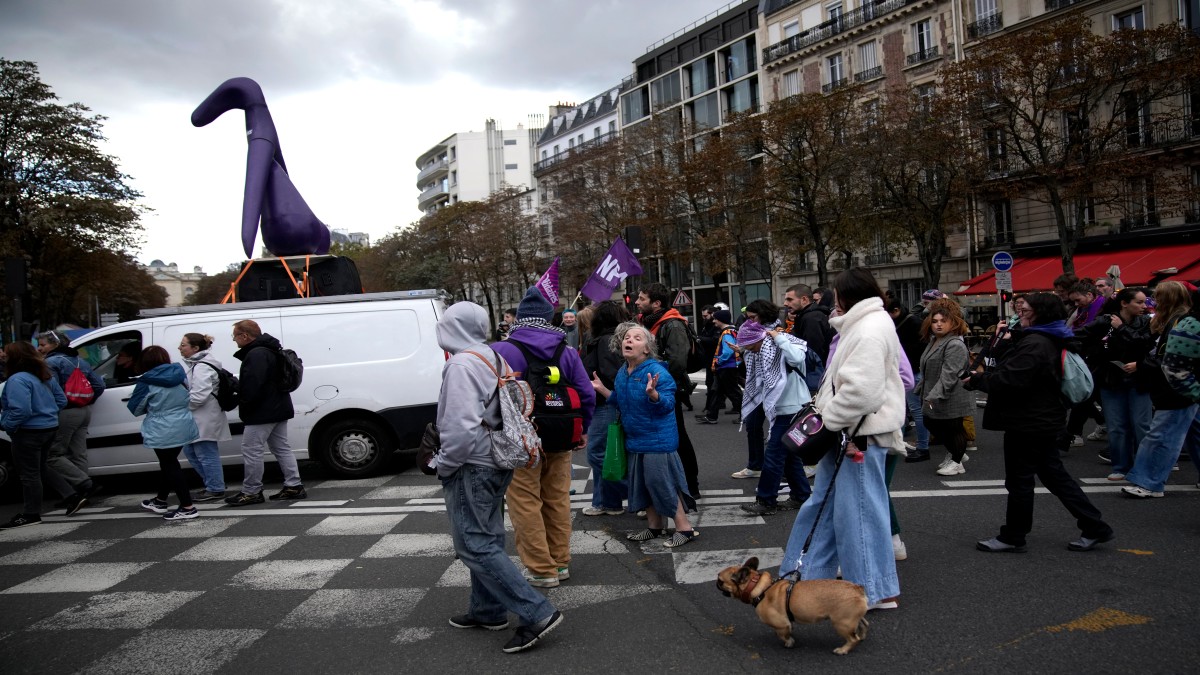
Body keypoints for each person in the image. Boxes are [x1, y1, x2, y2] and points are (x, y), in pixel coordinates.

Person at [432, 301, 563, 654]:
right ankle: (487, 610)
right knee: (487, 537)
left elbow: (459, 428)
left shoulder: (461, 364)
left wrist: (443, 464)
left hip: (471, 462)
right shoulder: (492, 356)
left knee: (474, 544)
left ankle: (537, 612)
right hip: (497, 459)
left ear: (452, 327)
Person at [779, 268, 905, 611]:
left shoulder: (867, 329)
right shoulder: (869, 325)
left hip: (856, 435)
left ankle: (871, 590)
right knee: (833, 507)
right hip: (854, 433)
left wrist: (828, 423)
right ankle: (805, 578)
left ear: (845, 295)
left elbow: (861, 393)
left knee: (858, 513)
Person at [966, 292, 1114, 552]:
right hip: (1042, 418)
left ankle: (1013, 536)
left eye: (1026, 310)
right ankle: (1095, 526)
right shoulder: (1050, 337)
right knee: (1054, 476)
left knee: (1020, 480)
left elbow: (1011, 380)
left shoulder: (1036, 343)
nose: (1020, 312)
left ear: (1041, 313)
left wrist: (977, 380)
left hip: (1029, 421)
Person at [493, 286, 595, 588]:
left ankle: (541, 569)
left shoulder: (504, 350)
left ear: (519, 320)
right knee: (557, 498)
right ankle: (561, 562)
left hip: (521, 440)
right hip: (562, 435)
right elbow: (586, 393)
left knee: (525, 501)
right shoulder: (566, 350)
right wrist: (582, 430)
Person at [590, 322, 699, 547]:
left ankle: (684, 528)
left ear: (647, 348)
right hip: (634, 438)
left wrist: (654, 395)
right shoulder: (624, 371)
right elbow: (621, 401)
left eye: (637, 338)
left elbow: (668, 404)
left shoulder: (658, 372)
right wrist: (603, 390)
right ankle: (654, 527)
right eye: (627, 338)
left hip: (658, 440)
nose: (629, 340)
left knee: (662, 483)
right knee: (642, 485)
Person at [1122, 282, 1197, 498]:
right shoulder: (1177, 319)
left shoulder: (1179, 321)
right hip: (1181, 387)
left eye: (1157, 296)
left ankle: (1149, 482)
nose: (1152, 300)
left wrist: (1142, 365)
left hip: (1177, 387)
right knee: (1187, 435)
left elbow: (1170, 358)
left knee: (1162, 436)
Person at [224, 319, 307, 506]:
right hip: (278, 406)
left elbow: (254, 386)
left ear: (244, 336)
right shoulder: (270, 350)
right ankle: (294, 485)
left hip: (262, 411)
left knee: (252, 450)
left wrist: (242, 398)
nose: (234, 340)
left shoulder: (256, 354)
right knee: (281, 448)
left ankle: (251, 491)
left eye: (235, 336)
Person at [736, 319, 813, 515]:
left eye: (751, 346)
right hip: (783, 408)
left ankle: (766, 500)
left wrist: (780, 338)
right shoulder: (763, 349)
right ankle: (801, 495)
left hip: (793, 407)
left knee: (773, 455)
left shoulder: (781, 344)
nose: (751, 351)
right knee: (788, 456)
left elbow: (797, 358)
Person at [1077, 288, 1153, 478]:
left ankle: (1145, 467)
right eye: (1139, 302)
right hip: (1110, 378)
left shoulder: (1145, 322)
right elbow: (1079, 336)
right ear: (1124, 303)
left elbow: (1144, 344)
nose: (1144, 306)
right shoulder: (1104, 321)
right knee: (1116, 425)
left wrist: (1121, 328)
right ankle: (1120, 466)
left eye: (1144, 302)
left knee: (1141, 424)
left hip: (1138, 378)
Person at [0, 342, 76, 530]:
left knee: (29, 475)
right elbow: (61, 400)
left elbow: (21, 410)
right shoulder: (43, 375)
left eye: (6, 353)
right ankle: (71, 494)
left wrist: (6, 425)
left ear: (15, 358)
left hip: (28, 432)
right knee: (40, 468)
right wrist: (47, 413)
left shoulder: (17, 380)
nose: (3, 355)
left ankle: (31, 513)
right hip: (48, 428)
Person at [636, 283, 701, 498]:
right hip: (654, 387)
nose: (637, 302)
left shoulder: (672, 324)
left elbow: (677, 361)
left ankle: (691, 485)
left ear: (656, 303)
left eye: (642, 298)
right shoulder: (649, 323)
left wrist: (659, 381)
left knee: (678, 436)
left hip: (668, 388)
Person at [130, 346, 201, 521]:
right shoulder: (180, 375)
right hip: (183, 423)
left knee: (170, 465)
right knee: (168, 463)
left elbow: (135, 408)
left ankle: (187, 506)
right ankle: (160, 500)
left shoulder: (146, 382)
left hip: (162, 427)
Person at [37, 330, 105, 500]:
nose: (39, 349)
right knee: (78, 453)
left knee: (54, 454)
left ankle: (84, 484)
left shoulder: (51, 362)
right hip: (84, 411)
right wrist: (85, 401)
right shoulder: (80, 360)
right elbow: (99, 385)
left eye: (42, 345)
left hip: (66, 412)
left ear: (55, 345)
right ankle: (84, 493)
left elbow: (50, 390)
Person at [913, 300, 974, 475]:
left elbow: (950, 374)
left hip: (952, 394)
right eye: (935, 321)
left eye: (943, 321)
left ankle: (957, 461)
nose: (938, 324)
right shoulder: (935, 340)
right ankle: (957, 453)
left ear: (953, 322)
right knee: (932, 422)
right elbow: (926, 368)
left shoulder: (954, 343)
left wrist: (933, 396)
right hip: (936, 391)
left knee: (952, 428)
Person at [581, 300, 630, 516]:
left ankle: (632, 492)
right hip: (605, 401)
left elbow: (611, 374)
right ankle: (606, 502)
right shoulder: (608, 339)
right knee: (607, 453)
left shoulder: (605, 341)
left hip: (605, 402)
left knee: (598, 454)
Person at [731, 299, 785, 479]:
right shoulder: (756, 331)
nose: (750, 322)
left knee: (779, 429)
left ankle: (786, 468)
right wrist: (742, 349)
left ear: (764, 315)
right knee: (753, 424)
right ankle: (756, 465)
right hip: (757, 386)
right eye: (748, 318)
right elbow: (754, 350)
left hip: (776, 386)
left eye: (753, 317)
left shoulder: (777, 332)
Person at [178, 333, 231, 502]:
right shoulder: (198, 364)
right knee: (192, 451)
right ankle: (214, 484)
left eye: (183, 345)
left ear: (195, 348)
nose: (180, 348)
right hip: (202, 416)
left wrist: (182, 405)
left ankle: (215, 487)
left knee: (205, 453)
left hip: (204, 417)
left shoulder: (201, 366)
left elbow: (199, 396)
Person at [888, 299, 929, 459]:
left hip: (912, 371)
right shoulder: (910, 321)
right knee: (913, 410)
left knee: (916, 410)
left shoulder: (911, 323)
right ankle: (921, 443)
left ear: (896, 310)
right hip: (911, 371)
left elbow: (917, 348)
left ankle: (923, 447)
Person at [698, 310, 742, 424]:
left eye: (715, 319)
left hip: (726, 366)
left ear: (721, 320)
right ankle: (711, 416)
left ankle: (746, 415)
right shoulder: (731, 330)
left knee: (733, 392)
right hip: (727, 366)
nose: (713, 321)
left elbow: (728, 352)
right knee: (716, 391)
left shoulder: (727, 333)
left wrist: (718, 361)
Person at [784, 284, 835, 364]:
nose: (785, 303)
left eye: (789, 299)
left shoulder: (811, 319)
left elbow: (814, 354)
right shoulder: (806, 316)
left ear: (804, 299)